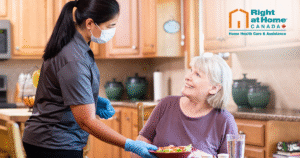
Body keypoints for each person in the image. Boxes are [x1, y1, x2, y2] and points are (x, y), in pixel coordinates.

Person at [22, 0, 157, 158]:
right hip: (54, 145)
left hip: (48, 141)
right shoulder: (74, 58)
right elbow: (87, 121)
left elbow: (64, 87)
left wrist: (91, 99)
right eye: (110, 25)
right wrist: (129, 144)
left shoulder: (73, 44)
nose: (113, 30)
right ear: (90, 23)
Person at [131, 54, 238, 157]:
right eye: (191, 71)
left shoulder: (225, 120)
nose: (187, 77)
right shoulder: (166, 104)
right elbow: (135, 153)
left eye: (197, 74)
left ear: (214, 88)